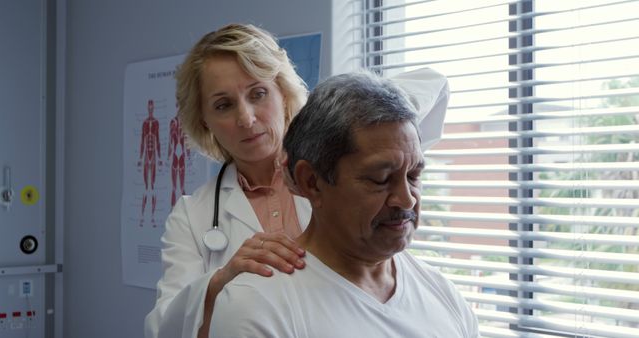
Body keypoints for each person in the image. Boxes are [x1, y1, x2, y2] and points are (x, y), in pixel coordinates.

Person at [210, 71, 480, 337]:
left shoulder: (443, 295)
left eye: (413, 176)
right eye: (381, 179)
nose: (407, 198)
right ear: (312, 182)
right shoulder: (257, 307)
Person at [144, 23, 310, 338]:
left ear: (283, 93)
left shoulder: (333, 180)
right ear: (204, 121)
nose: (246, 118)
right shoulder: (192, 217)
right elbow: (161, 330)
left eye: (258, 94)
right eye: (223, 105)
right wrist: (222, 278)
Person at [138, 99, 162, 227]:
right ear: (148, 108)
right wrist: (140, 158)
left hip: (153, 159)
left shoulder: (156, 123)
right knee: (145, 188)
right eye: (149, 107)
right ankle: (142, 216)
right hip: (146, 158)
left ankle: (152, 217)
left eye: (152, 107)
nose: (151, 109)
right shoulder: (145, 123)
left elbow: (157, 140)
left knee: (152, 188)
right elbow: (143, 140)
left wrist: (160, 157)